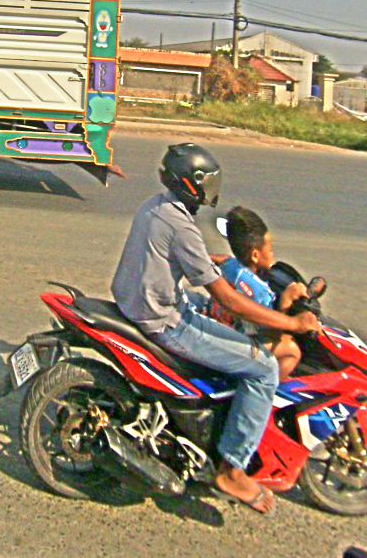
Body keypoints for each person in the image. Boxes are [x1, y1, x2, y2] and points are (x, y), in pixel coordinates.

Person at [110, 143, 320, 516]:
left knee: (210, 317)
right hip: (164, 320)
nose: (212, 188)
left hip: (140, 302)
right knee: (264, 368)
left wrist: (212, 262)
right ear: (192, 184)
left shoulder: (157, 206)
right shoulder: (182, 227)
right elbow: (230, 302)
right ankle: (233, 470)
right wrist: (292, 322)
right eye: (207, 181)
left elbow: (179, 254)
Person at [207, 206, 307, 380]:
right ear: (255, 255)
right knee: (291, 349)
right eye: (270, 249)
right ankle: (266, 387)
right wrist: (285, 302)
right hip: (236, 341)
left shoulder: (228, 265)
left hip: (217, 326)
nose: (272, 253)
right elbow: (272, 332)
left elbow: (225, 262)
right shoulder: (261, 292)